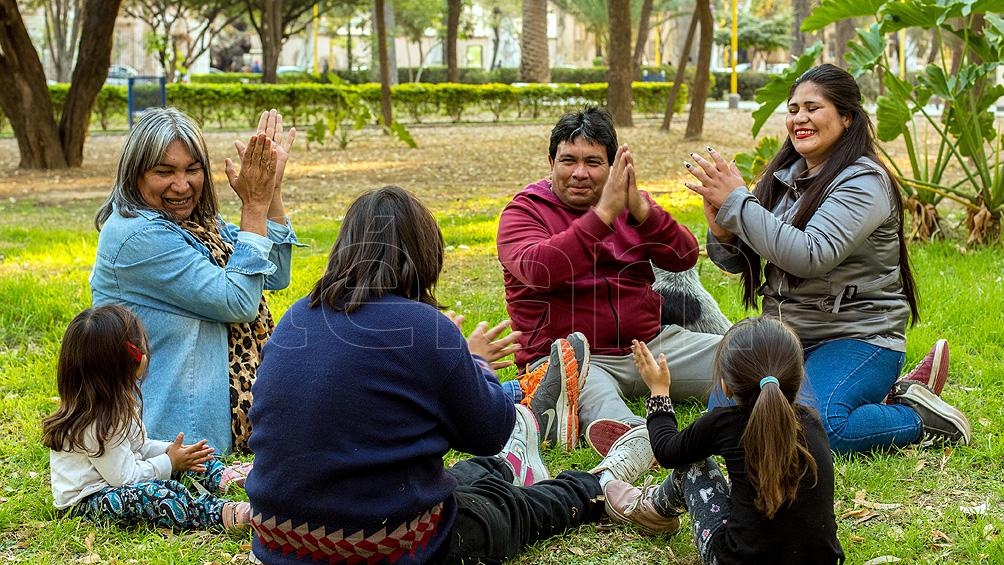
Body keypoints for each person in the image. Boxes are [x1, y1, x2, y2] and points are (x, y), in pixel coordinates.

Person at [246, 186, 657, 564]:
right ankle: (596, 486)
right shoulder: (425, 327)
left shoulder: (297, 317)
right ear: (425, 254)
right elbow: (488, 432)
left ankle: (511, 465)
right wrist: (476, 362)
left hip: (279, 541)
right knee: (508, 508)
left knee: (469, 478)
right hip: (389, 545)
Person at [684, 64, 970, 453]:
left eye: (812, 108)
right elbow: (742, 261)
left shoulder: (865, 182)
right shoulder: (784, 177)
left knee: (819, 430)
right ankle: (864, 400)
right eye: (793, 108)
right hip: (786, 335)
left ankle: (916, 415)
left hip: (857, 336)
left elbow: (810, 255)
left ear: (847, 117)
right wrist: (722, 231)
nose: (799, 118)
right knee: (726, 426)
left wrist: (738, 202)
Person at [496, 106, 723, 452]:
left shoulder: (632, 205)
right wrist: (603, 215)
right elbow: (540, 269)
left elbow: (684, 256)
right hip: (570, 359)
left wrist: (643, 213)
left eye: (593, 162)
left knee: (745, 357)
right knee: (606, 410)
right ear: (551, 162)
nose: (579, 173)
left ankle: (757, 412)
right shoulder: (524, 212)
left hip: (648, 346)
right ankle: (635, 441)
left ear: (615, 167)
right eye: (568, 160)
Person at [91, 107, 299, 455]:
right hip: (171, 440)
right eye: (164, 171)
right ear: (135, 175)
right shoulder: (135, 236)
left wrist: (271, 192)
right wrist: (254, 207)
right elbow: (239, 302)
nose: (182, 185)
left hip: (212, 427)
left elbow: (274, 273)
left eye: (192, 169)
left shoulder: (199, 223)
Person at [606, 316, 845, 563]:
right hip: (820, 560)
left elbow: (667, 451)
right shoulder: (813, 423)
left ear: (726, 385)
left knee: (694, 466)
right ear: (797, 376)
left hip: (735, 560)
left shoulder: (724, 423)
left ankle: (651, 511)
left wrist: (659, 390)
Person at [42, 305, 252, 532]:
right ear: (133, 360)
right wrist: (169, 462)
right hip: (89, 501)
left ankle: (223, 476)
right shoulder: (93, 422)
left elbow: (140, 447)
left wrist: (172, 452)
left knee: (191, 454)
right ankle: (214, 513)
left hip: (120, 481)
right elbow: (124, 478)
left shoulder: (116, 402)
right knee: (156, 496)